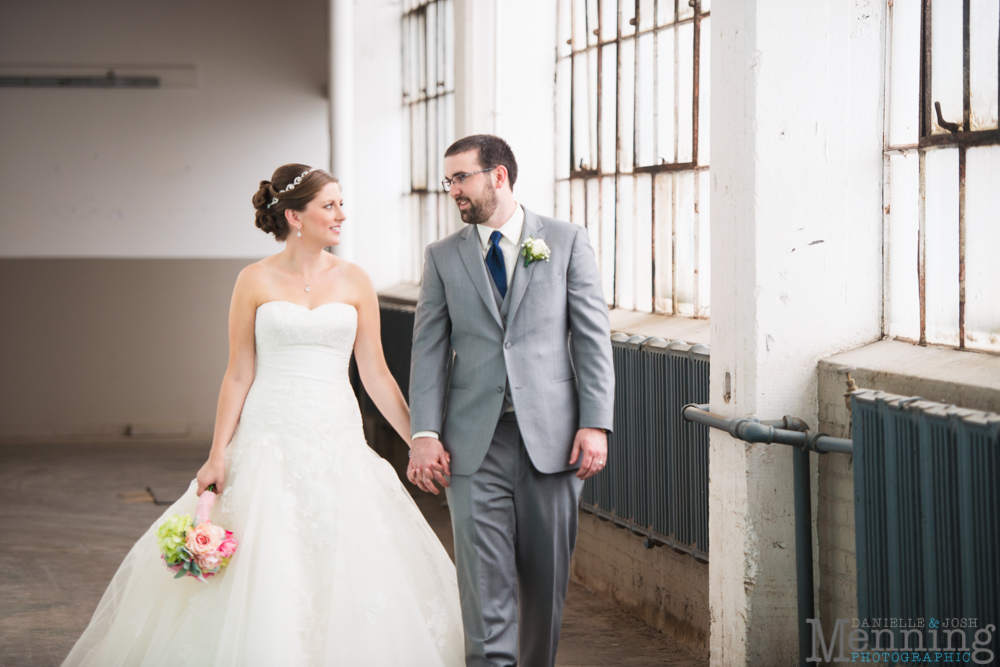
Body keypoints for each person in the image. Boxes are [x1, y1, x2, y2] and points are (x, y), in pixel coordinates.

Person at [62, 164, 464, 667]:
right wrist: (216, 455)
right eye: (330, 205)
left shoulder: (356, 279)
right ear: (295, 216)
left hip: (335, 436)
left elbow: (377, 374)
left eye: (342, 203)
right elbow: (237, 374)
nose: (342, 215)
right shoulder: (253, 279)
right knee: (265, 567)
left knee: (343, 558)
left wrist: (419, 440)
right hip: (267, 436)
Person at [408, 135, 615, 667]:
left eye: (461, 177)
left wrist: (596, 423)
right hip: (474, 443)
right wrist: (425, 434)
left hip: (554, 440)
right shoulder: (442, 257)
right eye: (448, 179)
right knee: (483, 583)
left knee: (545, 585)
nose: (452, 189)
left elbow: (592, 339)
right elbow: (428, 351)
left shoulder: (566, 241)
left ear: (497, 176)